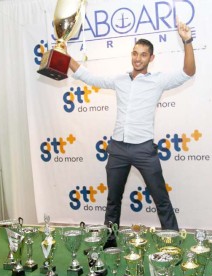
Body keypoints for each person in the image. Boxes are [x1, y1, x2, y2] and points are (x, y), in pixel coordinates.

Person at [69, 20, 196, 248]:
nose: (138, 58)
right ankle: (110, 245)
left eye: (144, 55)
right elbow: (89, 77)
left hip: (144, 149)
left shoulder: (158, 80)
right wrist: (65, 56)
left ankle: (172, 244)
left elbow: (188, 72)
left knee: (161, 199)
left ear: (151, 58)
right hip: (117, 149)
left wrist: (187, 41)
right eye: (135, 53)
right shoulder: (119, 80)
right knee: (113, 201)